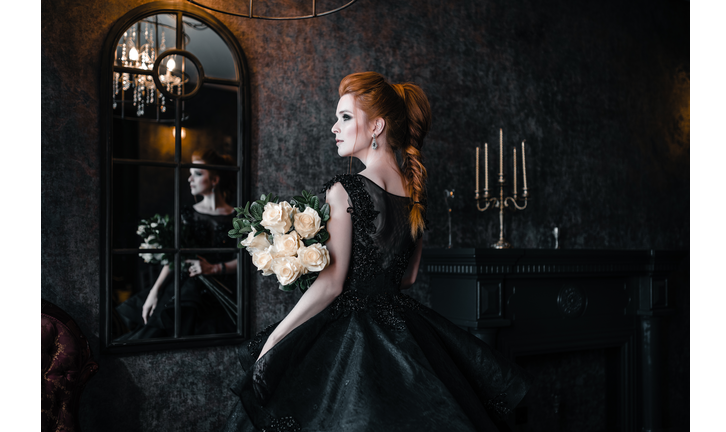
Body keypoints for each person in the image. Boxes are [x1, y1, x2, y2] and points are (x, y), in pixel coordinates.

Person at [221, 72, 530, 431]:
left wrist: (276, 338)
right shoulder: (414, 192)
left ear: (376, 127)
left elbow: (332, 286)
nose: (334, 127)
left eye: (345, 117)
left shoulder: (346, 189)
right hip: (406, 329)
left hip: (351, 334)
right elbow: (409, 276)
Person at [115, 149, 239, 340]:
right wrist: (154, 291)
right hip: (185, 289)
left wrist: (214, 268)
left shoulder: (238, 217)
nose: (190, 179)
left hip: (224, 292)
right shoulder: (186, 214)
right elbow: (174, 256)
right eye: (190, 174)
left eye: (197, 174)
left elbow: (248, 260)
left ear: (215, 180)